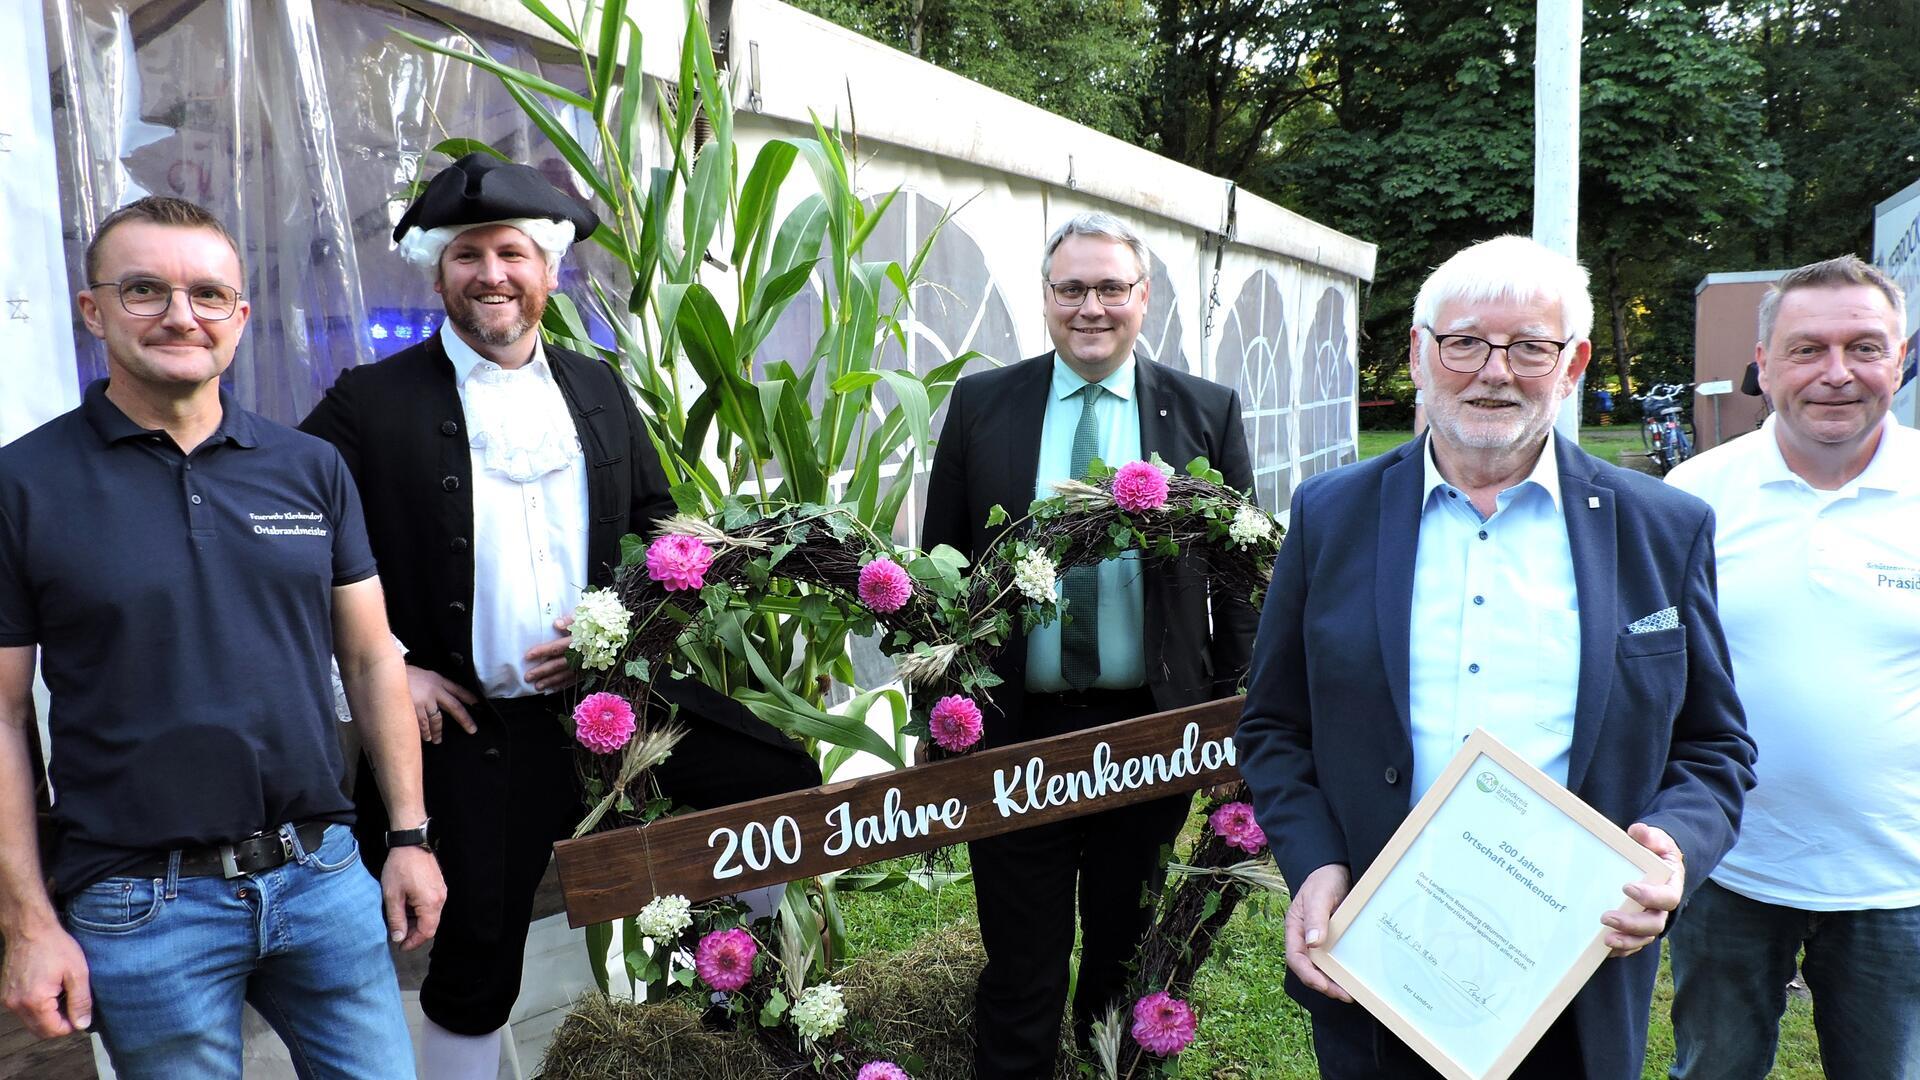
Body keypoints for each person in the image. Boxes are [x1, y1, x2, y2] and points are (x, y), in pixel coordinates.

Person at [299, 153, 819, 1079]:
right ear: (437, 270)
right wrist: (387, 668)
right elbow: (285, 553)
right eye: (466, 255)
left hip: (609, 697)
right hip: (471, 727)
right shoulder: (368, 404)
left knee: (773, 774)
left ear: (547, 267)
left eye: (510, 252)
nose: (489, 274)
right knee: (477, 951)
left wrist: (623, 628)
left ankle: (748, 991)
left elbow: (662, 535)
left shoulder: (597, 386)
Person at [1236, 235, 1756, 1079]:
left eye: (1530, 348)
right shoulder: (1331, 516)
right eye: (1465, 342)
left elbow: (1715, 746)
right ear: (1417, 353)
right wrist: (1316, 863)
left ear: (1574, 362)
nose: (1494, 371)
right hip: (1376, 948)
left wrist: (1671, 845)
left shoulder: (1663, 528)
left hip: (1578, 964)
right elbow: (1274, 725)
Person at [0, 196, 443, 1077]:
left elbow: (369, 658)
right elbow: (4, 719)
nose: (179, 315)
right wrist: (28, 923)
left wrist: (408, 837)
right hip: (138, 903)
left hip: (321, 877)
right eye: (143, 290)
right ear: (92, 310)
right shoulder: (24, 485)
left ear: (239, 318)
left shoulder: (309, 468)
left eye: (208, 294)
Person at [921, 211, 1257, 1078]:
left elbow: (1239, 580)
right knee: (1021, 963)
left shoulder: (1203, 412)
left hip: (1146, 739)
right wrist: (944, 718)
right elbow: (941, 573)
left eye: (1112, 288)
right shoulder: (984, 404)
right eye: (1072, 288)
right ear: (1045, 299)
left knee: (1122, 953)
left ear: (1144, 298)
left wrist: (1238, 717)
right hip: (1016, 733)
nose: (1092, 307)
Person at [1664, 255, 1920, 1079]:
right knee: (1713, 1068)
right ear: (1765, 363)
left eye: (1865, 347)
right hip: (1726, 863)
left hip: (1899, 876)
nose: (1837, 374)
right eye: (1808, 349)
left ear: (1903, 356)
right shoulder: (1692, 497)